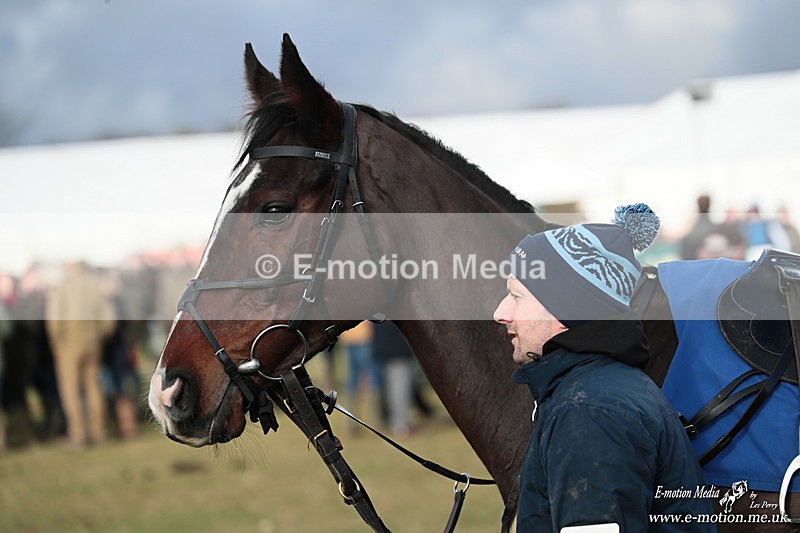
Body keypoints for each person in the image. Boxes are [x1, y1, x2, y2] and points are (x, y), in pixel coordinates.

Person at [493, 204, 713, 531]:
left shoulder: (591, 412)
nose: (500, 312)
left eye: (516, 296)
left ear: (565, 307)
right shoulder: (595, 390)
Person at [45, 261, 115, 448]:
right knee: (94, 388)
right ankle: (99, 432)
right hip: (92, 342)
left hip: (68, 343)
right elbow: (109, 322)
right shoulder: (95, 289)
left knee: (70, 390)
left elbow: (53, 320)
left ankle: (78, 435)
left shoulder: (63, 288)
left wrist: (56, 343)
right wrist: (97, 336)